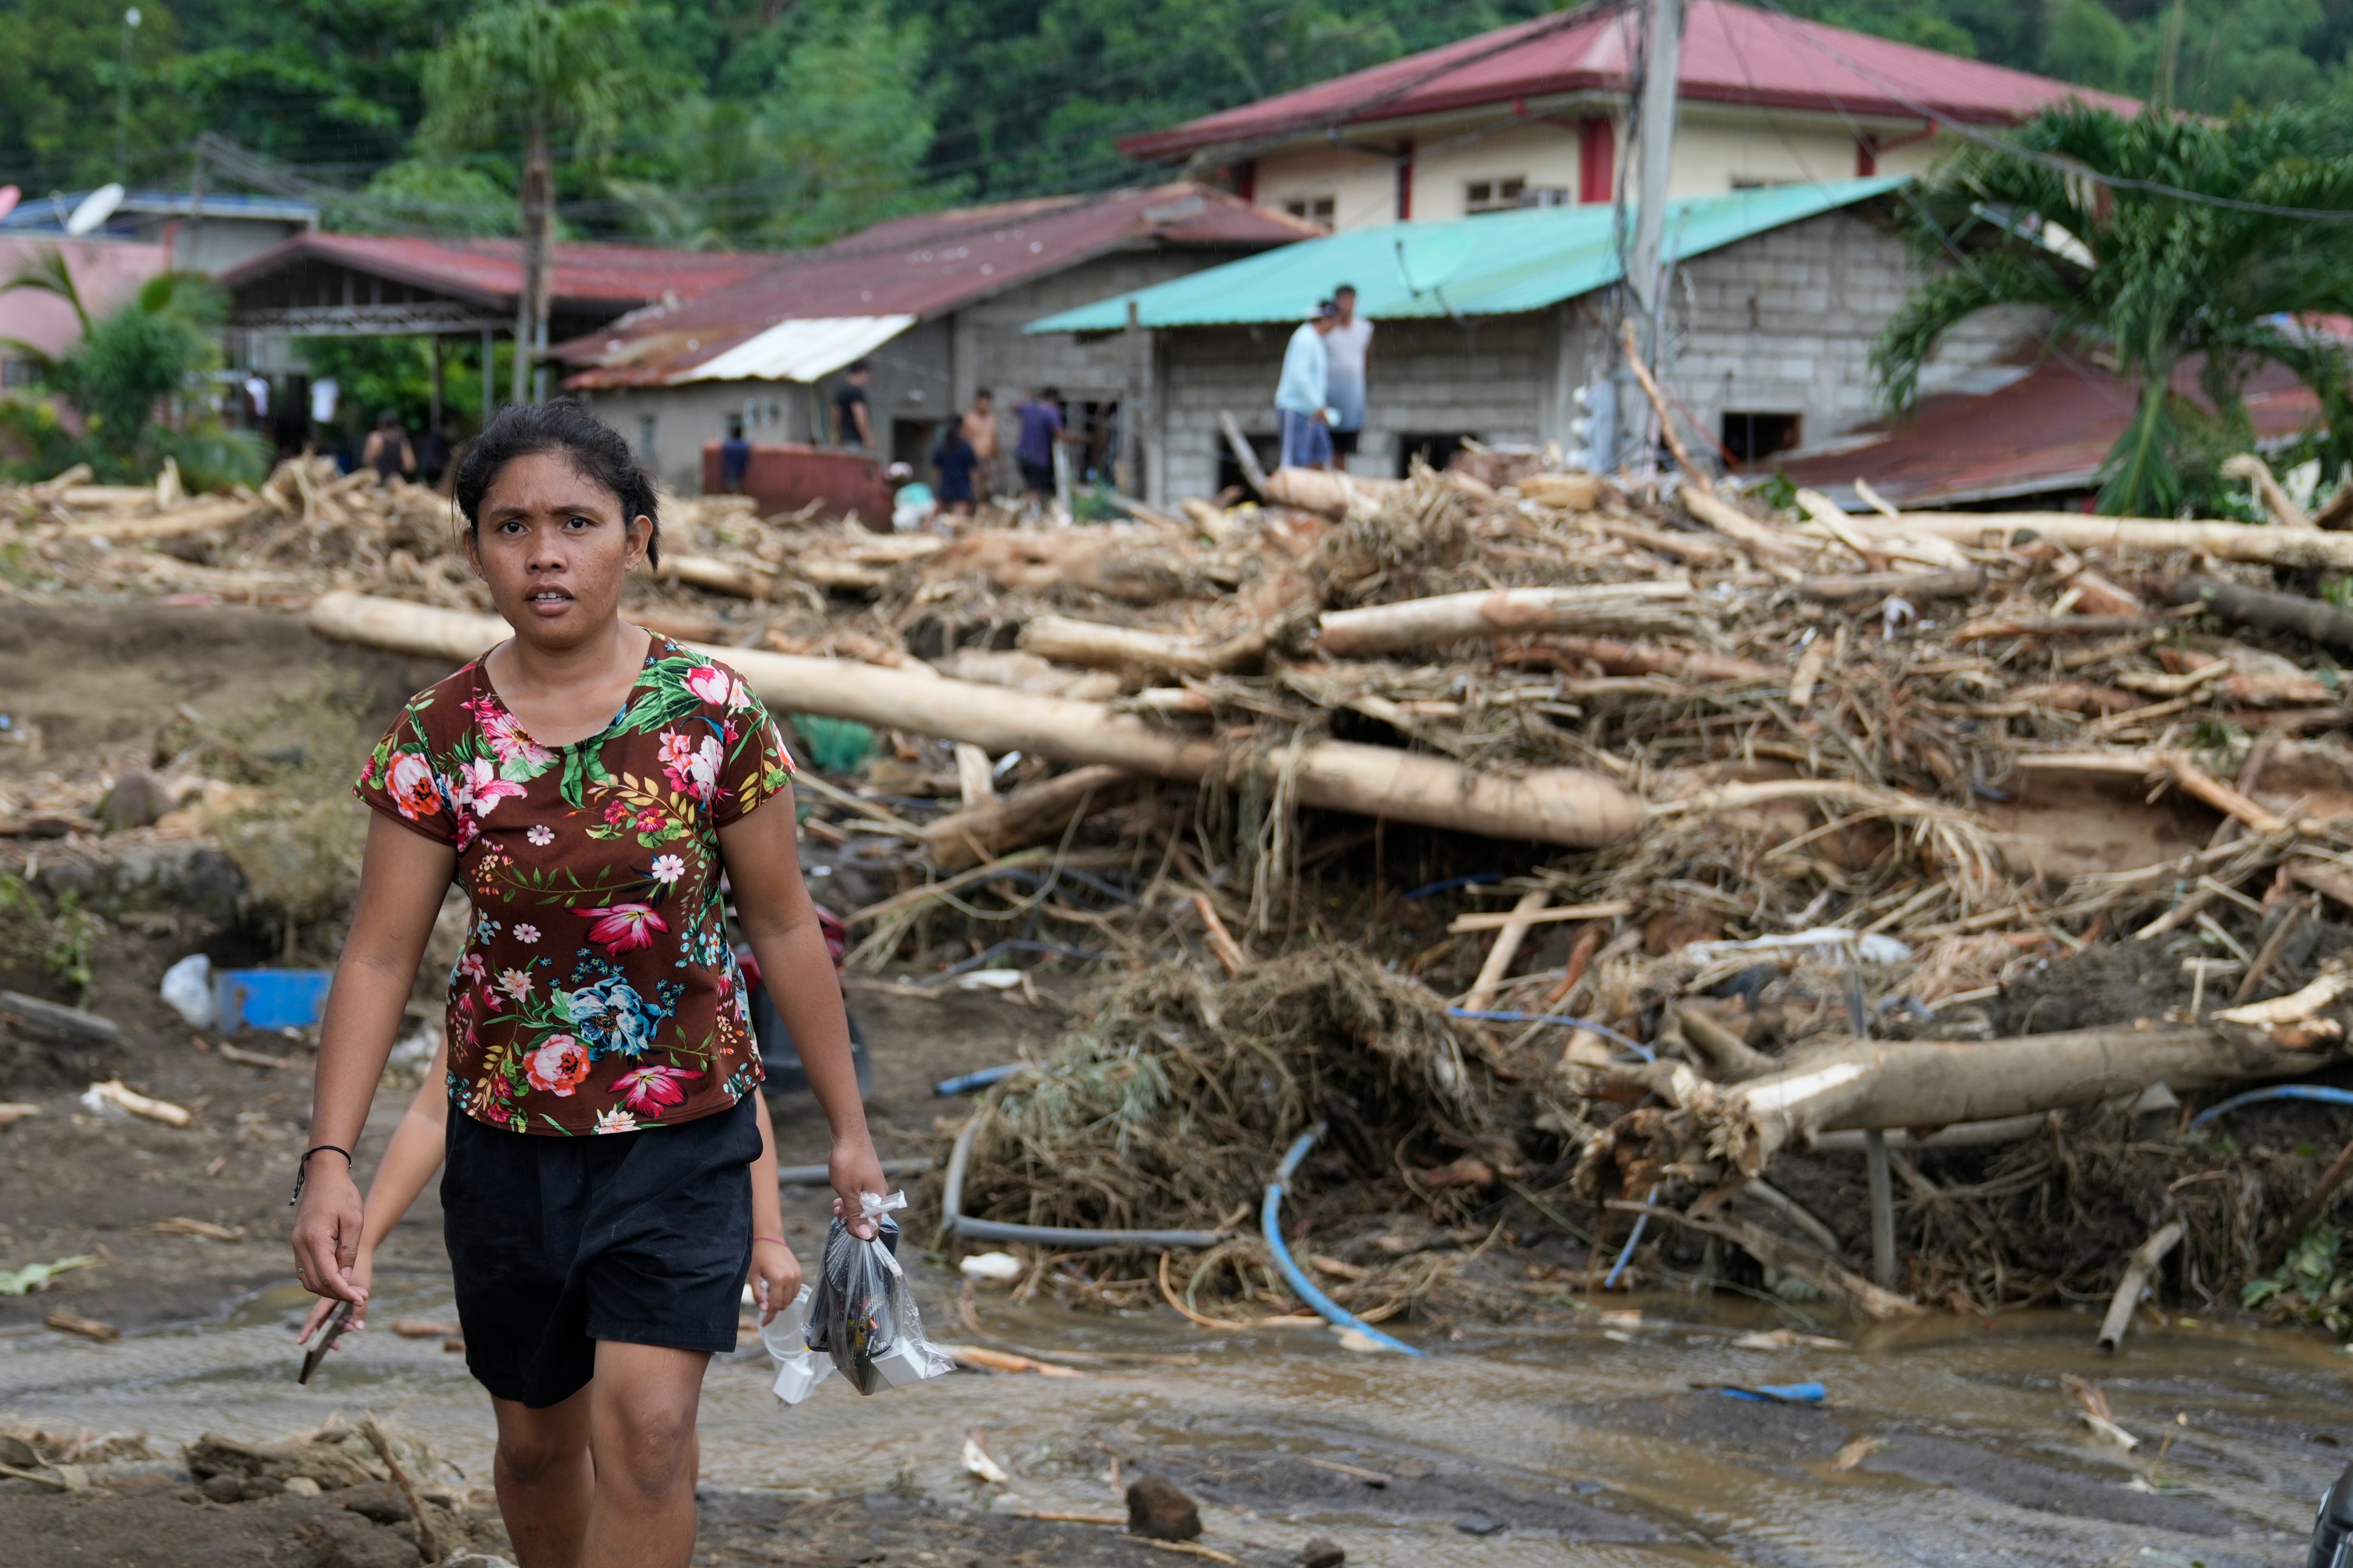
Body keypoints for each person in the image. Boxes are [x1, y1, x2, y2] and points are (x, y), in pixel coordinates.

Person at [290, 399, 886, 1568]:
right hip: (506, 1140)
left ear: (639, 538)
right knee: (532, 1445)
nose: (545, 553)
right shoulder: (436, 738)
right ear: (474, 552)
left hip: (685, 1132)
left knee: (653, 1435)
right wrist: (330, 1164)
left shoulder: (710, 713)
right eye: (510, 526)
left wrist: (853, 1134)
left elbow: (783, 926)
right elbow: (377, 954)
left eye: (577, 521)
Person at [1275, 301, 1337, 471]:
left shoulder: (1316, 340)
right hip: (1296, 409)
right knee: (1294, 462)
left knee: (1320, 455)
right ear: (1326, 319)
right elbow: (1299, 377)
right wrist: (1317, 405)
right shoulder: (1305, 339)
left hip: (1312, 412)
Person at [1323, 284, 1373, 473]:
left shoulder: (1365, 329)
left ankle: (1341, 492)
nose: (1346, 305)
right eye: (1343, 300)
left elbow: (1368, 361)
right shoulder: (1327, 329)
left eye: (1350, 300)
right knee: (1326, 450)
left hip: (1353, 402)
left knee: (1345, 451)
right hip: (1328, 402)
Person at [1013, 388, 1067, 510]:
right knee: (1036, 489)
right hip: (1038, 458)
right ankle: (1031, 514)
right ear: (1054, 400)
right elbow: (1060, 434)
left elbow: (1015, 407)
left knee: (1031, 486)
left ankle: (1030, 513)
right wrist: (1079, 439)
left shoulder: (1029, 408)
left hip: (1023, 456)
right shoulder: (1051, 412)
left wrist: (1025, 396)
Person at [932, 420, 980, 521]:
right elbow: (973, 470)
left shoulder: (941, 448)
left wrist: (939, 484)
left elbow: (937, 470)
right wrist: (975, 488)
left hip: (947, 485)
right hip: (962, 486)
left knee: (934, 514)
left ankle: (924, 528)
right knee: (960, 518)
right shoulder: (966, 448)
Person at [958, 391, 998, 502]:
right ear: (977, 402)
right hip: (973, 460)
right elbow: (963, 438)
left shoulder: (992, 419)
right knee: (975, 489)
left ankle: (984, 513)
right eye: (983, 402)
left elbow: (994, 440)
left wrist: (998, 460)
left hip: (988, 460)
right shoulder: (969, 418)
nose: (985, 405)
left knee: (988, 489)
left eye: (987, 403)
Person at [362, 413, 416, 482]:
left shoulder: (376, 438)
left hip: (378, 481)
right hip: (396, 481)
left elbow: (367, 460)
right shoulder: (402, 441)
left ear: (380, 425)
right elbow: (410, 466)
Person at [831, 362, 873, 450]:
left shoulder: (841, 390)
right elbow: (859, 415)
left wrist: (837, 436)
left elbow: (835, 414)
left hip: (844, 439)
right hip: (855, 440)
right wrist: (868, 439)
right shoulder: (855, 392)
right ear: (862, 373)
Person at [887, 459, 935, 532]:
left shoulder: (902, 492)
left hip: (914, 523)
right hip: (928, 519)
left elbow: (902, 520)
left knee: (898, 521)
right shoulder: (923, 487)